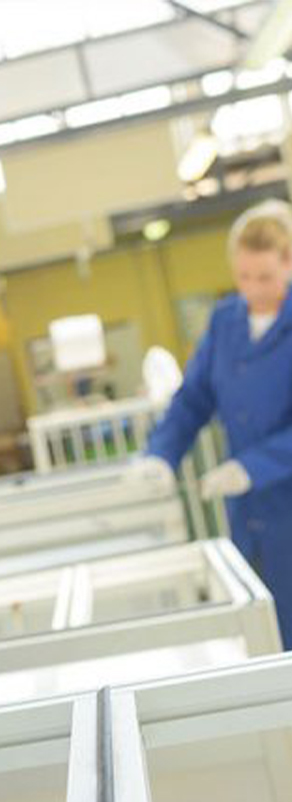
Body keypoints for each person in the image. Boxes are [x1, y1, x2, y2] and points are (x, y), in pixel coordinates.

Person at [140, 198, 292, 650]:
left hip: (284, 498)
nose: (252, 289)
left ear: (288, 264)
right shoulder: (226, 322)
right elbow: (194, 398)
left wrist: (252, 466)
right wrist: (161, 454)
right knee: (263, 630)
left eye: (264, 277)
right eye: (243, 276)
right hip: (247, 515)